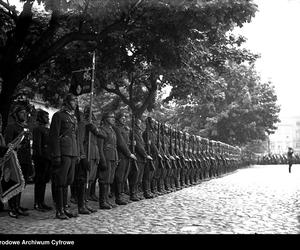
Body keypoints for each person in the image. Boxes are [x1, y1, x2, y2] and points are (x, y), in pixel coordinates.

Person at [48, 93, 79, 219]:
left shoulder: (74, 118)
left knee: (68, 181)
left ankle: (65, 208)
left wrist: (77, 153)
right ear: (67, 102)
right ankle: (59, 210)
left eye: (76, 100)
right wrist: (56, 155)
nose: (75, 103)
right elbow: (54, 136)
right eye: (73, 100)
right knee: (60, 181)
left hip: (72, 152)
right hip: (63, 152)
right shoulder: (58, 116)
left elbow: (74, 137)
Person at [4, 105, 31, 217]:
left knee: (21, 183)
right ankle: (12, 207)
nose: (24, 114)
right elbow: (8, 144)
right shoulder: (11, 127)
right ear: (16, 114)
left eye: (25, 112)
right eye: (21, 113)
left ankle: (17, 205)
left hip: (24, 159)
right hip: (15, 159)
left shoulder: (25, 128)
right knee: (14, 183)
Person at [113, 111, 137, 205]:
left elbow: (126, 142)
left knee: (123, 177)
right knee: (119, 177)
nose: (124, 119)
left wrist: (132, 143)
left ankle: (121, 195)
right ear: (118, 119)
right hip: (121, 155)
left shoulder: (125, 129)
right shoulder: (117, 128)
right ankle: (118, 197)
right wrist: (129, 153)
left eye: (125, 118)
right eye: (122, 118)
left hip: (126, 156)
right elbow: (120, 143)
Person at [32, 109, 53, 212]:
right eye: (46, 117)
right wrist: (40, 158)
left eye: (48, 117)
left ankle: (42, 202)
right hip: (40, 159)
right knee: (39, 181)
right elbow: (37, 145)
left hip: (47, 158)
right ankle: (37, 203)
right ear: (40, 117)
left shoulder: (47, 130)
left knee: (44, 181)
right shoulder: (37, 129)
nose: (47, 119)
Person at [97, 111, 118, 209]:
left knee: (109, 180)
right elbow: (100, 147)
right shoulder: (102, 129)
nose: (113, 119)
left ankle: (106, 200)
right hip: (106, 156)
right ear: (106, 119)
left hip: (112, 156)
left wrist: (116, 158)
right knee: (104, 180)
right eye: (111, 117)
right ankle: (102, 202)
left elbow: (115, 146)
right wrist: (102, 160)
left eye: (114, 117)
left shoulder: (112, 130)